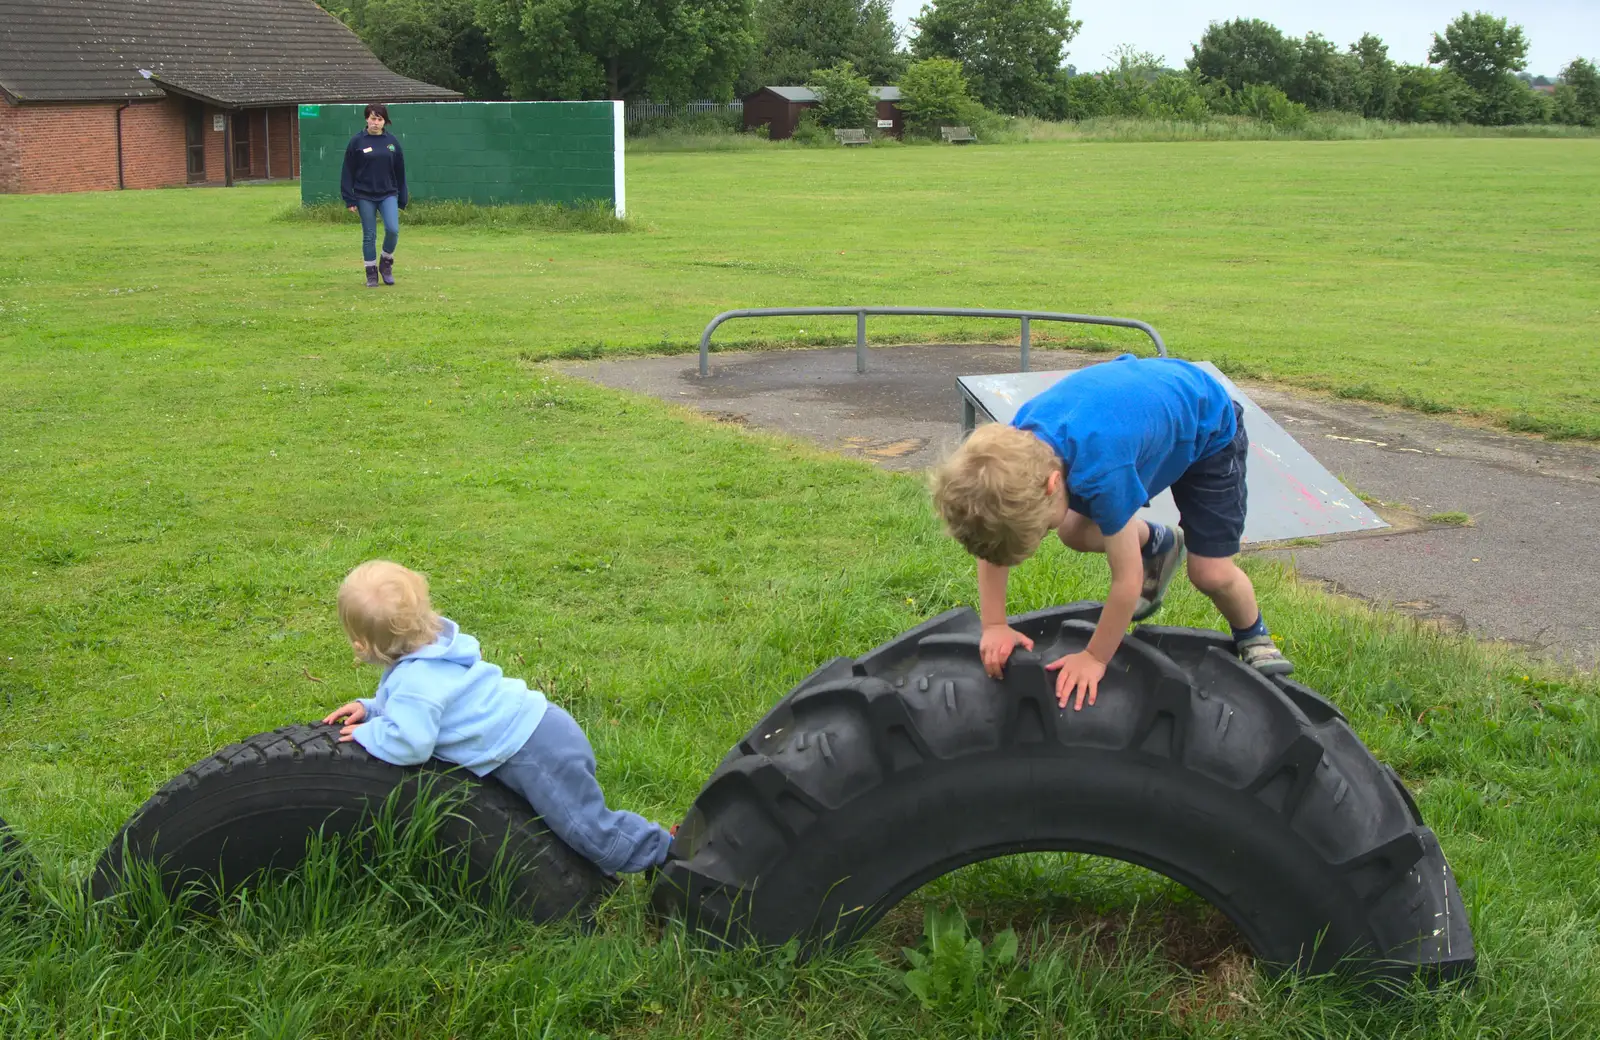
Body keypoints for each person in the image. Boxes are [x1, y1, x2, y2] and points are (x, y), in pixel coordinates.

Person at [929, 353, 1293, 712]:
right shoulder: (1014, 456)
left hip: (1208, 426)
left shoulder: (1104, 473)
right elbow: (993, 541)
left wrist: (1094, 657)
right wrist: (994, 624)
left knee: (1210, 572)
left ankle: (1254, 635)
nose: (1041, 536)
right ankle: (1159, 543)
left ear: (1053, 484)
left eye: (1041, 530)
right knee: (1072, 531)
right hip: (1139, 405)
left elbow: (1127, 581)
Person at [321, 560, 672, 875]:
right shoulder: (439, 646)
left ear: (361, 645)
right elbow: (434, 702)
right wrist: (374, 708)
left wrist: (371, 733)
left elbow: (412, 744)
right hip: (541, 726)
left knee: (588, 829)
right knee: (568, 817)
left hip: (535, 751)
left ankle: (668, 851)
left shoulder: (416, 681)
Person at [339, 103, 408, 288]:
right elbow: (347, 171)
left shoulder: (392, 142)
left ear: (384, 121)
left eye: (379, 119)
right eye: (372, 118)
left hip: (388, 194)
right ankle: (371, 274)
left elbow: (400, 171)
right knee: (369, 235)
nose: (375, 123)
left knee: (393, 230)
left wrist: (403, 197)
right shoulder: (357, 142)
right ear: (366, 119)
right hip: (364, 195)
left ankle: (386, 263)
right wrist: (349, 198)